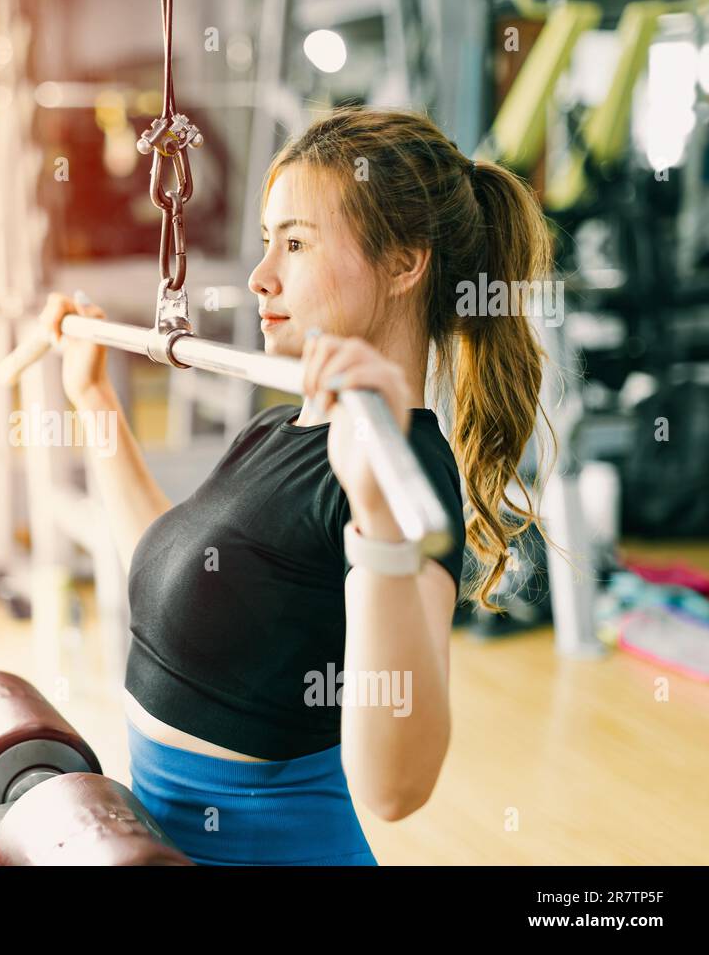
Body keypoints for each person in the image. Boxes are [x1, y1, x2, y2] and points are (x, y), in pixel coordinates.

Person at [35, 106, 557, 865]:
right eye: (265, 242)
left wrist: (378, 517)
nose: (260, 275)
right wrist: (95, 402)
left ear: (405, 263)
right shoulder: (277, 431)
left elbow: (395, 787)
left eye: (296, 244)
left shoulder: (402, 470)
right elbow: (165, 571)